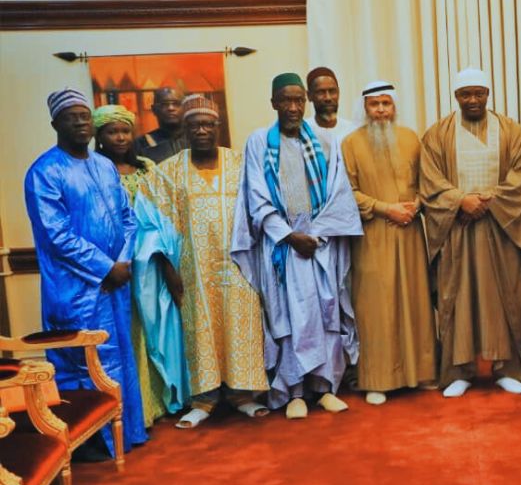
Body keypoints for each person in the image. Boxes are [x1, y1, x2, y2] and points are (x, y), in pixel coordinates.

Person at [232, 73, 363, 419]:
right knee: (289, 317)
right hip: (283, 244)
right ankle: (293, 393)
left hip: (320, 241)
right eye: (285, 101)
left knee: (326, 312)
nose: (292, 107)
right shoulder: (259, 142)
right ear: (273, 103)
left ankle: (325, 388)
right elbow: (255, 195)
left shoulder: (324, 140)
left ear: (305, 102)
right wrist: (290, 236)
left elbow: (338, 193)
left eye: (297, 101)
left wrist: (316, 235)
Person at [24, 88, 147, 453]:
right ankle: (91, 444)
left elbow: (128, 220)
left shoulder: (104, 165)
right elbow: (55, 235)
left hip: (115, 283)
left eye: (84, 116)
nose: (80, 122)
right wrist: (105, 267)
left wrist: (122, 262)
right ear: (55, 124)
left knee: (120, 356)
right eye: (70, 116)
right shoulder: (44, 172)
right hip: (76, 288)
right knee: (82, 363)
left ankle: (128, 432)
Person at [142, 95, 270, 428]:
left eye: (208, 124)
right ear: (184, 129)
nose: (202, 130)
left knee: (240, 326)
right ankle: (203, 400)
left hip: (239, 266)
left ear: (218, 127)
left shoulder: (241, 163)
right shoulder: (167, 172)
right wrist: (168, 269)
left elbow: (262, 208)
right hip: (192, 269)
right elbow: (152, 226)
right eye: (194, 124)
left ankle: (243, 395)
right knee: (200, 331)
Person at [420, 67, 521, 398]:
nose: (473, 100)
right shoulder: (437, 135)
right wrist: (461, 201)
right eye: (465, 94)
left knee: (507, 297)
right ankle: (459, 370)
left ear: (488, 94)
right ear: (456, 97)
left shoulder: (511, 131)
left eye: (479, 93)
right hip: (456, 230)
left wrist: (487, 202)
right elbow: (429, 180)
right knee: (456, 298)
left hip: (502, 229)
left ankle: (508, 368)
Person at [341, 81, 436, 405]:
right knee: (376, 308)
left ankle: (421, 373)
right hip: (374, 235)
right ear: (364, 109)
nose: (381, 110)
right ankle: (377, 380)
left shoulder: (411, 138)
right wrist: (385, 208)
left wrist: (417, 204)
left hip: (410, 234)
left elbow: (427, 182)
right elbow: (347, 192)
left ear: (394, 107)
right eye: (374, 104)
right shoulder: (351, 143)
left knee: (415, 303)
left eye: (386, 103)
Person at [93, 105, 188, 427]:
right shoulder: (95, 171)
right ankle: (137, 410)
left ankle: (165, 400)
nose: (120, 137)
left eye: (124, 130)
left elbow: (166, 213)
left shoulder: (147, 168)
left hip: (152, 264)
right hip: (115, 267)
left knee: (157, 331)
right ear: (100, 136)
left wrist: (165, 259)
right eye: (111, 131)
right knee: (128, 334)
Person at [306, 66, 359, 148]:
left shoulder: (351, 131)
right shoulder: (303, 131)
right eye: (321, 92)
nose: (328, 98)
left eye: (332, 91)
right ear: (309, 96)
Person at [133, 87, 189, 164]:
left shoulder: (196, 139)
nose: (171, 108)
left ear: (185, 107)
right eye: (164, 104)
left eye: (176, 104)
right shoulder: (141, 143)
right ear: (154, 109)